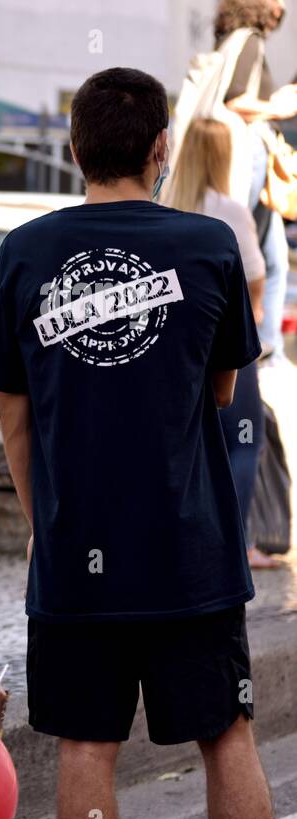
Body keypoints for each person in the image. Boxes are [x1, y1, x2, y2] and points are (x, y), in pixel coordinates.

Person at [0, 67, 276, 819]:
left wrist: (48, 526)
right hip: (193, 551)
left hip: (80, 557)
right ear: (161, 148)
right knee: (227, 734)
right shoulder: (207, 244)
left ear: (74, 150)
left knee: (86, 745)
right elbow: (222, 387)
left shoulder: (26, 251)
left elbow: (11, 411)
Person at [164, 117, 281, 570]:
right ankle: (238, 543)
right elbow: (255, 279)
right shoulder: (229, 210)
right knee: (243, 442)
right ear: (222, 156)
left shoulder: (167, 204)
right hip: (224, 341)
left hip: (173, 345)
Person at [217, 0, 296, 364]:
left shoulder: (237, 39)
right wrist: (278, 108)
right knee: (252, 254)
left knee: (274, 258)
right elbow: (235, 98)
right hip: (250, 157)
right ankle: (258, 351)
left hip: (252, 158)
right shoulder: (248, 39)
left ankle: (267, 349)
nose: (282, 6)